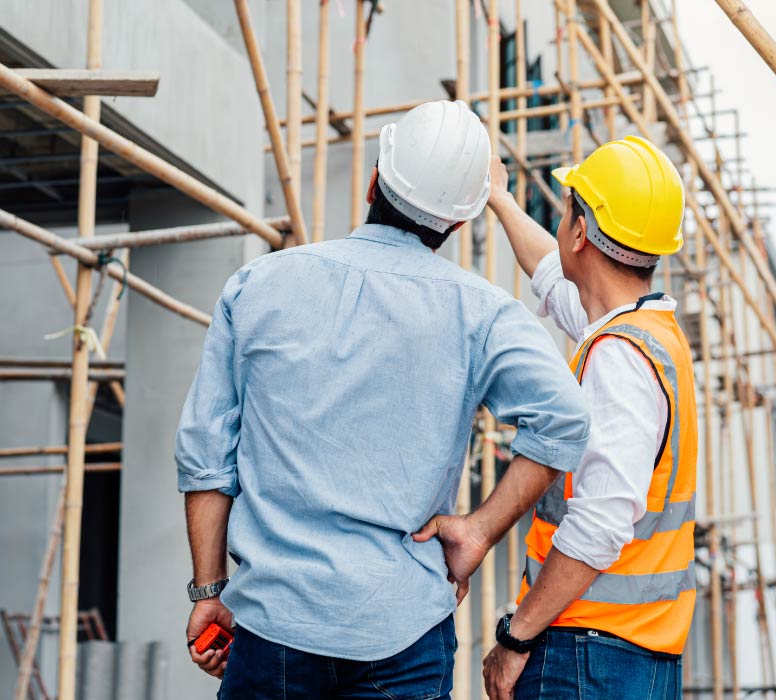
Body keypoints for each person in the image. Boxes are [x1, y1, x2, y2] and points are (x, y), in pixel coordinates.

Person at [175, 100, 590, 699]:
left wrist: (208, 592)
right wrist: (478, 530)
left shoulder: (258, 285)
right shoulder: (483, 312)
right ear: (459, 223)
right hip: (403, 630)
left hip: (273, 623)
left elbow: (206, 453)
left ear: (374, 180)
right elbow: (565, 421)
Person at [426, 136, 698, 700]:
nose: (561, 221)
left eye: (568, 207)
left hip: (588, 654)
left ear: (580, 232)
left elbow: (599, 524)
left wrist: (516, 635)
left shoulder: (620, 357)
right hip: (631, 654)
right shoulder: (645, 333)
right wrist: (499, 199)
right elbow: (551, 275)